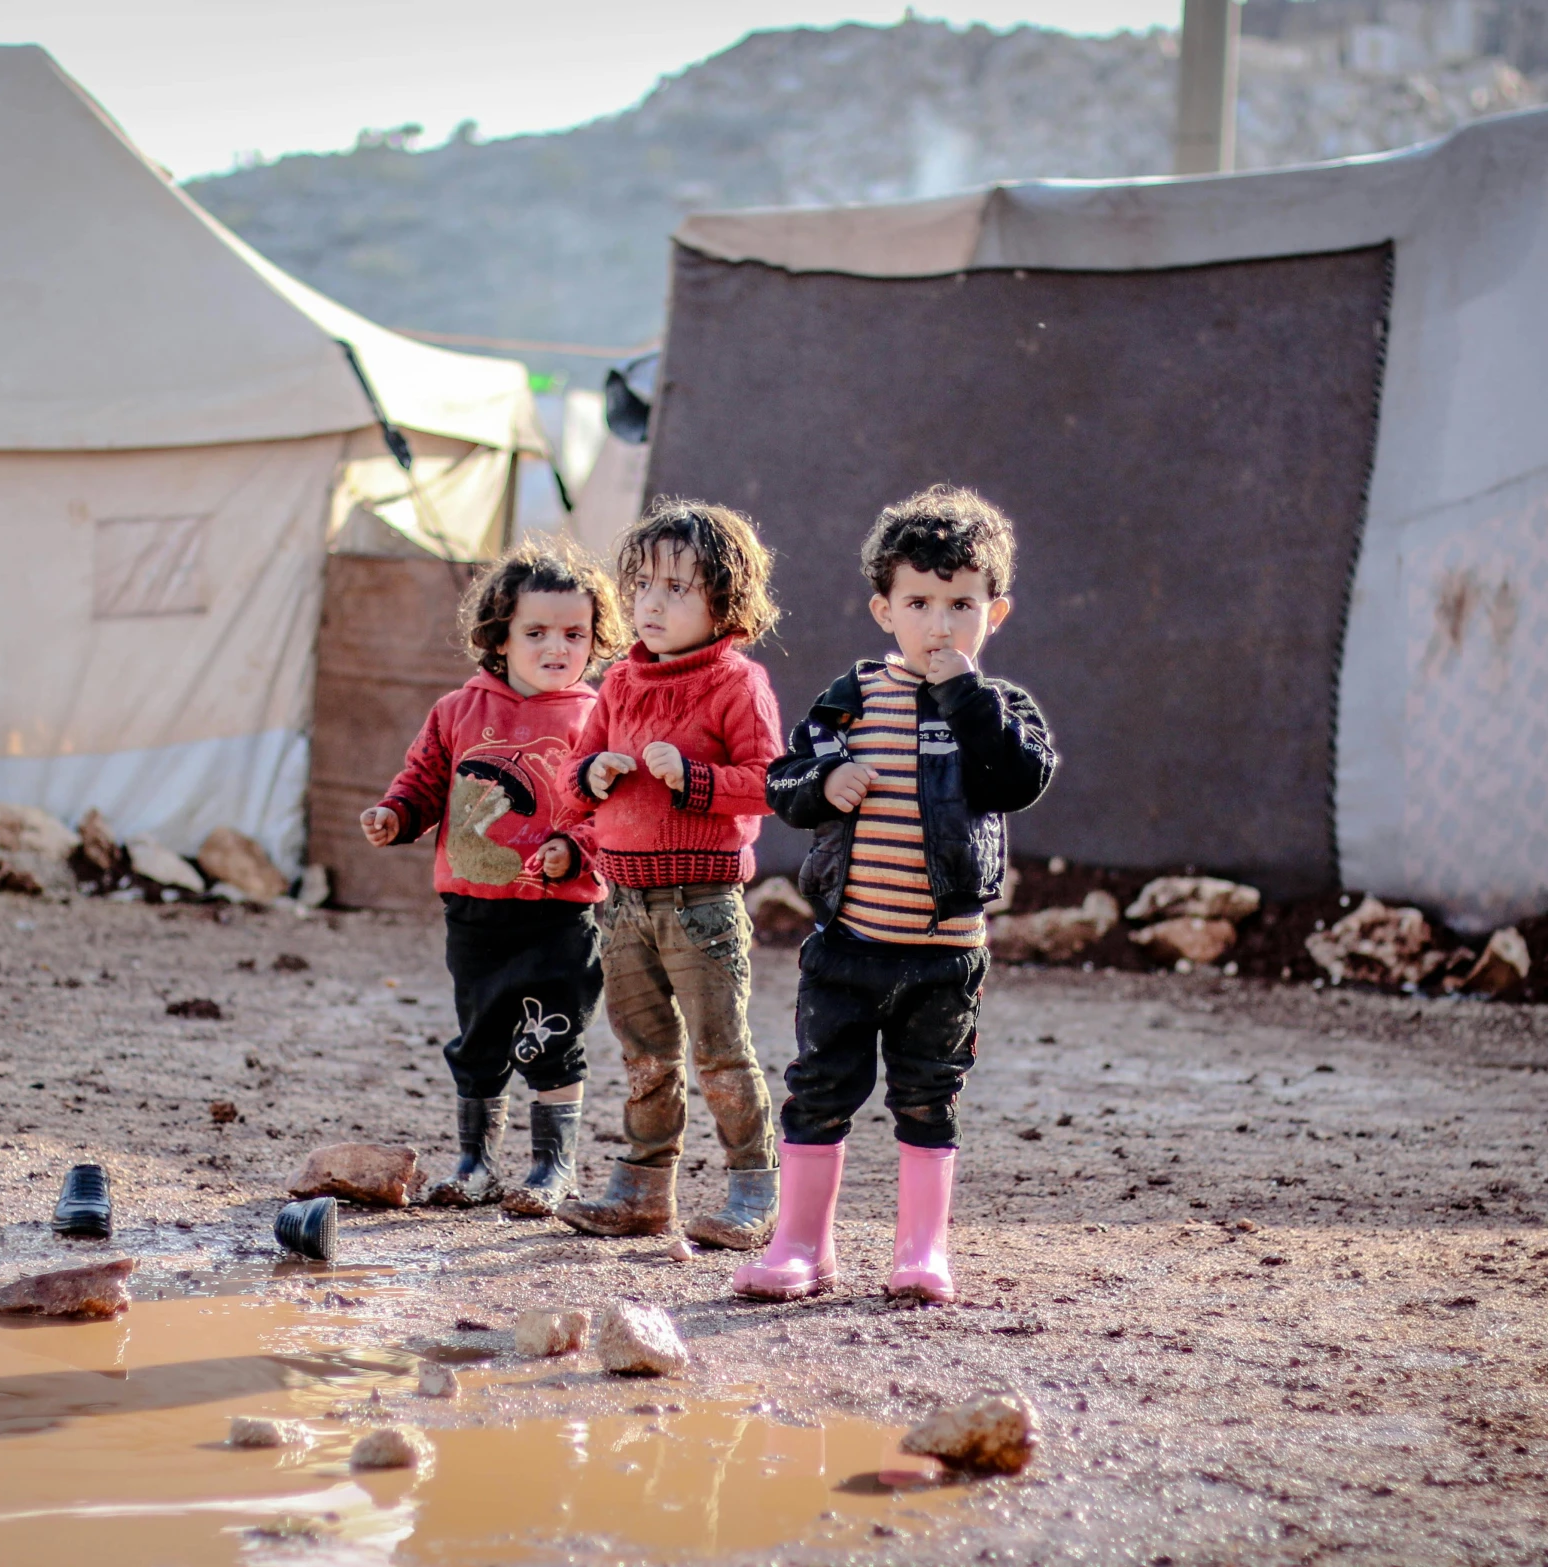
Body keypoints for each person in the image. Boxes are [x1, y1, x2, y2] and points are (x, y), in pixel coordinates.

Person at [734, 485, 1057, 1303]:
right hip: (847, 947)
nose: (940, 624)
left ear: (997, 612)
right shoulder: (849, 699)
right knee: (820, 1090)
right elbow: (783, 780)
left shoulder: (999, 709)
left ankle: (923, 1251)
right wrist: (825, 779)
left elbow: (1018, 779)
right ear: (884, 609)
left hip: (944, 957)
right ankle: (802, 1245)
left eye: (961, 604)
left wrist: (965, 696)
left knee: (928, 1098)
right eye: (919, 602)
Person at [359, 538, 626, 1216]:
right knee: (479, 1035)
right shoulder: (456, 710)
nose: (556, 646)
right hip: (474, 910)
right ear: (499, 635)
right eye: (536, 631)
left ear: (595, 639)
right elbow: (423, 780)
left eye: (574, 633)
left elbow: (612, 812)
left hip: (557, 913)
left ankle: (552, 1166)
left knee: (554, 1034)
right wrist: (396, 814)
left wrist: (574, 847)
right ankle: (476, 1161)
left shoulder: (597, 716)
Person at [555, 499, 786, 1249]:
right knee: (645, 1051)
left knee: (719, 1049)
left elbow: (771, 782)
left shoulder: (736, 683)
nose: (651, 602)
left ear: (727, 601)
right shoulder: (619, 681)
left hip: (701, 903)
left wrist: (693, 779)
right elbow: (568, 781)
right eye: (644, 584)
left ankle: (754, 1187)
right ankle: (642, 1190)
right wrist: (593, 775)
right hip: (622, 904)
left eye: (677, 588)